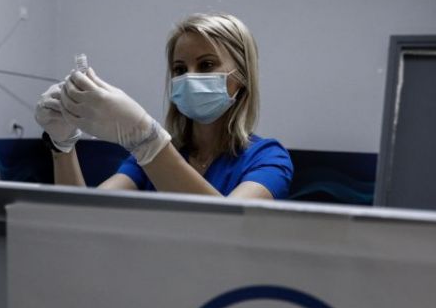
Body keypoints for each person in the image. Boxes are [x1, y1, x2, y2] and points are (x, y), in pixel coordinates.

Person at [35, 13, 293, 199]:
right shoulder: (150, 160)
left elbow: (223, 227)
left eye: (206, 65)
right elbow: (84, 218)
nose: (189, 77)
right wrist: (62, 146)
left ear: (242, 77)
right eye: (179, 69)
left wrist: (147, 140)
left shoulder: (268, 159)